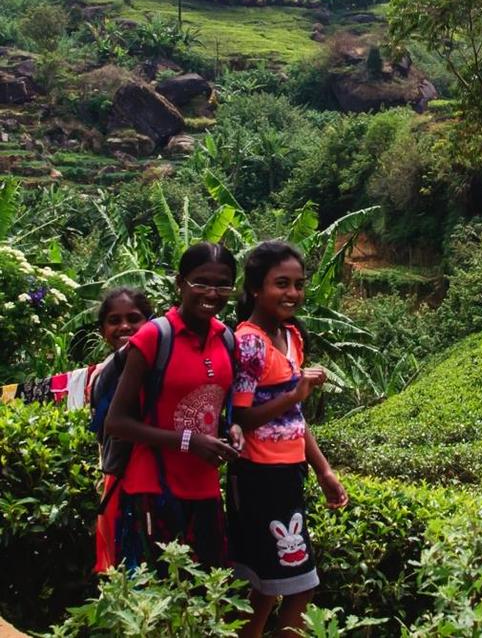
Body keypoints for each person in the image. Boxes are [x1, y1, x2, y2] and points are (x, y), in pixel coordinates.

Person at [228, 240, 349, 638]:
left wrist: (324, 471)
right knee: (302, 585)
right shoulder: (250, 341)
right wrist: (294, 394)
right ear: (255, 289)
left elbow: (293, 419)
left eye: (299, 284)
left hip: (287, 473)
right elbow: (241, 417)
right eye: (282, 283)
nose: (293, 293)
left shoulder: (291, 336)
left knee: (265, 588)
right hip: (261, 477)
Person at [105, 242, 242, 570]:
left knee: (208, 598)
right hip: (154, 489)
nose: (212, 293)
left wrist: (232, 429)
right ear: (180, 283)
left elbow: (212, 409)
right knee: (158, 599)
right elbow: (117, 422)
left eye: (223, 285)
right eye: (201, 283)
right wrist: (187, 441)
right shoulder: (154, 337)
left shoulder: (227, 339)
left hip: (206, 491)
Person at [90, 287, 153, 572]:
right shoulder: (105, 374)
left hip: (159, 478)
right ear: (103, 329)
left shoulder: (158, 365)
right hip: (123, 479)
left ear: (149, 323)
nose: (124, 326)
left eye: (134, 318)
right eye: (114, 320)